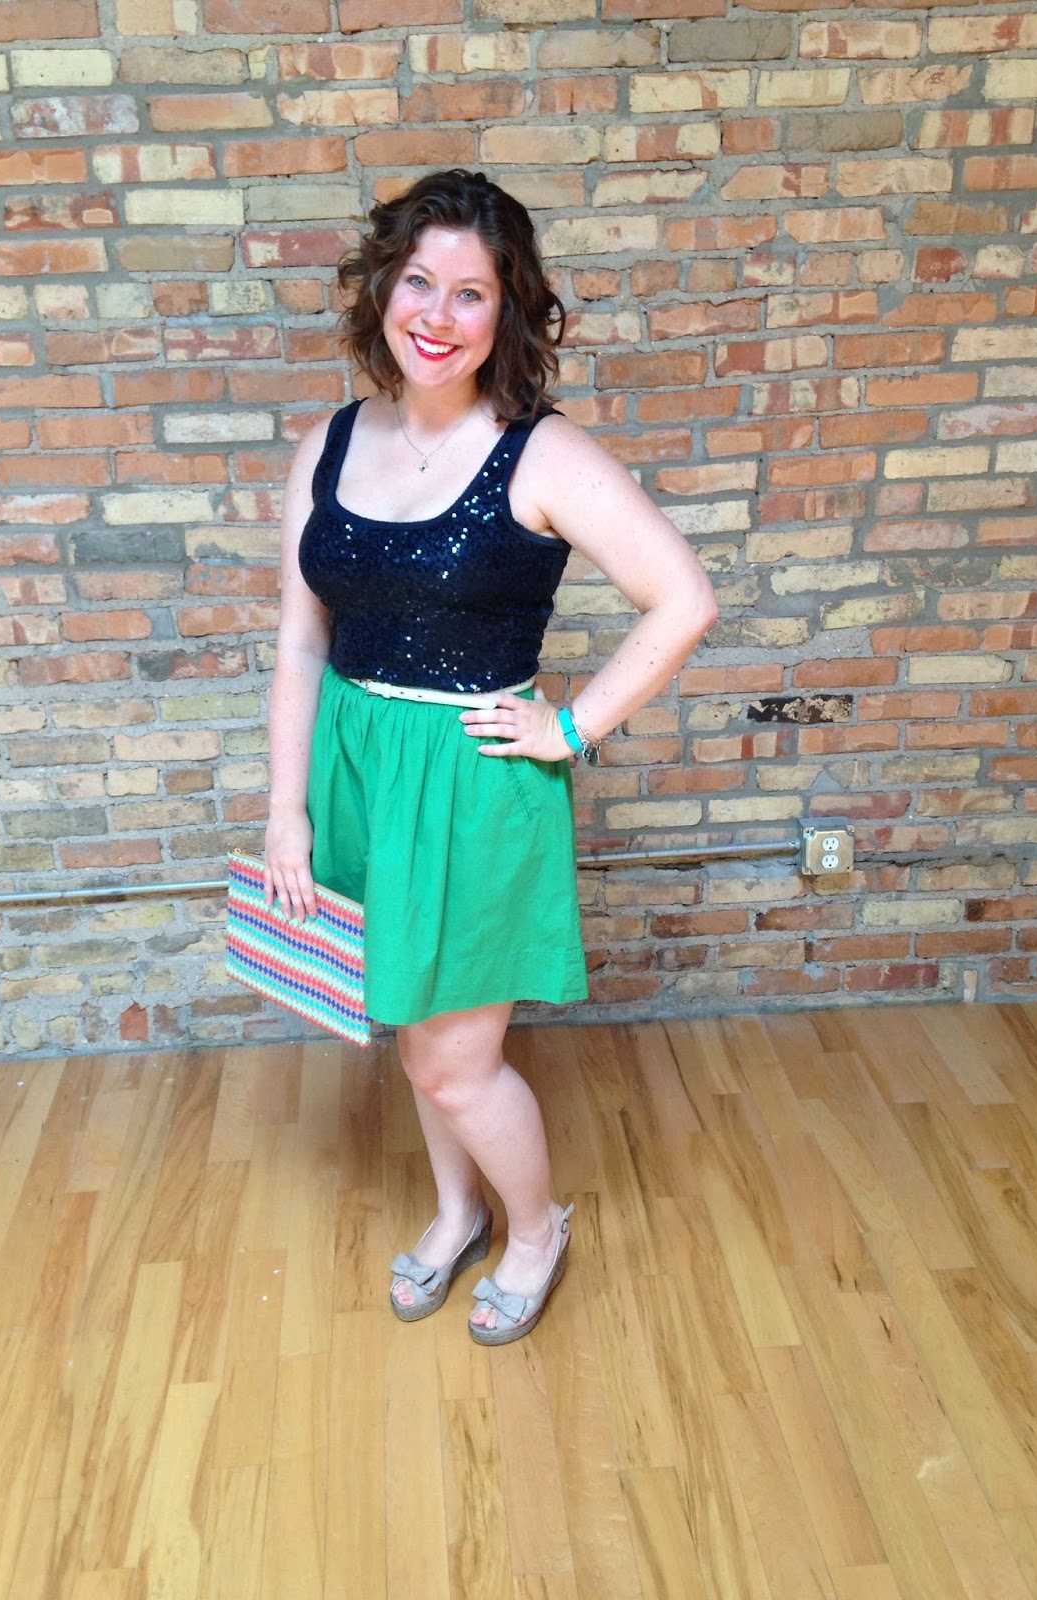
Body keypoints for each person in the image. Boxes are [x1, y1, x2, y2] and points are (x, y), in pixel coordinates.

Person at [263, 170, 718, 1345]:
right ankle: (458, 1210)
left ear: (507, 311)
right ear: (383, 290)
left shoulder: (543, 454)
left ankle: (534, 1228)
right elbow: (302, 638)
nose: (437, 314)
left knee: (454, 1061)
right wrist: (285, 809)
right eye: (419, 282)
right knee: (417, 1032)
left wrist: (569, 727)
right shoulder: (328, 443)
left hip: (472, 782)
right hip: (359, 766)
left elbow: (683, 599)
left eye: (471, 293)